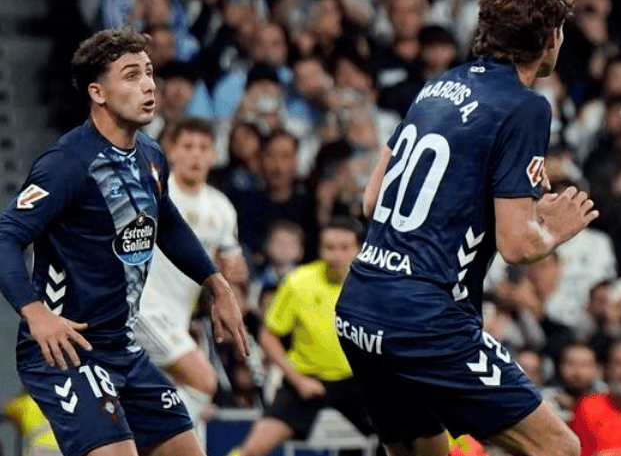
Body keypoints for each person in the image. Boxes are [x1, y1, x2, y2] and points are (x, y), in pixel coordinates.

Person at [334, 0, 596, 456]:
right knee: (559, 449)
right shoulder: (526, 106)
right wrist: (553, 229)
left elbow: (371, 202)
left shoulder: (437, 86)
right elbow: (517, 245)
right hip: (424, 317)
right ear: (550, 38)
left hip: (361, 305)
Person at [0, 29, 248, 456]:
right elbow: (6, 236)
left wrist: (216, 283)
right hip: (69, 351)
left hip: (123, 348)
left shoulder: (150, 156)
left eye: (149, 73)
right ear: (97, 92)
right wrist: (35, 313)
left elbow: (167, 223)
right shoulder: (67, 164)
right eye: (132, 75)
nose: (149, 85)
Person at [133, 117, 247, 433]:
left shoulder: (222, 209)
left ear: (214, 155)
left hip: (179, 320)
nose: (196, 154)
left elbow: (231, 269)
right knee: (204, 381)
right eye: (188, 146)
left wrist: (233, 277)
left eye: (203, 147)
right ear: (171, 151)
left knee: (177, 398)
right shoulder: (153, 192)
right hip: (144, 310)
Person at [226, 218, 372, 456]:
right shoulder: (299, 281)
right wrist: (297, 379)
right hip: (306, 378)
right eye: (329, 247)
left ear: (359, 249)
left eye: (345, 247)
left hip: (360, 383)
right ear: (319, 248)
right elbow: (268, 335)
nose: (336, 255)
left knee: (410, 440)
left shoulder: (374, 285)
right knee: (252, 449)